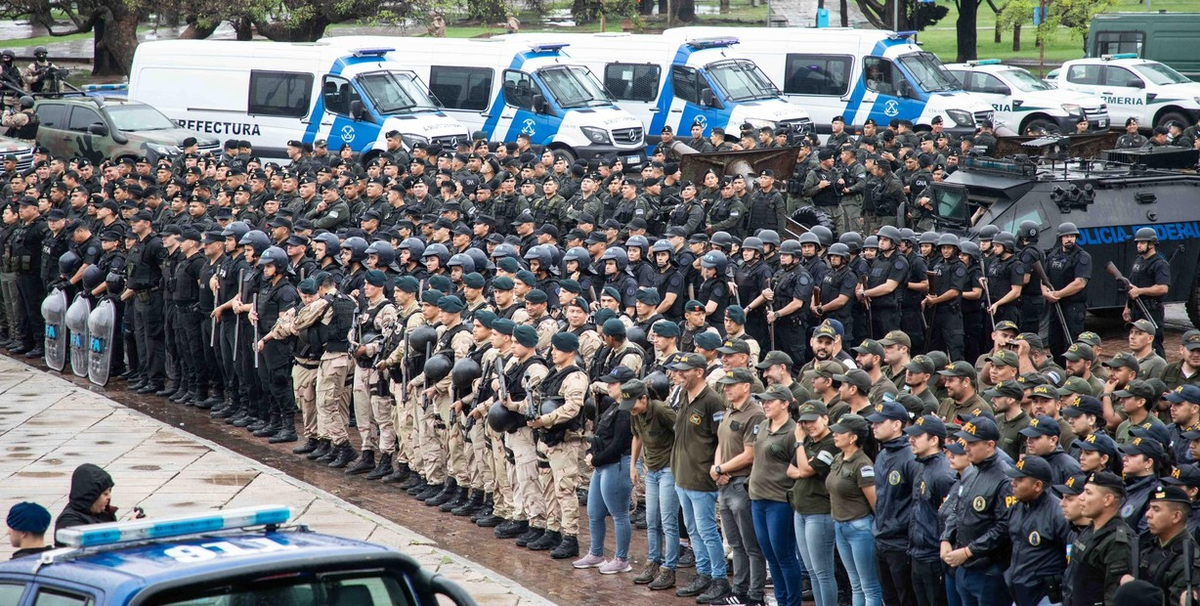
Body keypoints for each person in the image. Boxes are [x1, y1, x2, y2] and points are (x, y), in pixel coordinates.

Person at [671, 351, 730, 601]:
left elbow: (722, 439)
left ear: (699, 372)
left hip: (701, 478)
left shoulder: (712, 400)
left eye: (684, 370)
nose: (678, 374)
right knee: (693, 530)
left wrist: (720, 468)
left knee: (707, 530)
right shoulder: (685, 395)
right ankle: (703, 573)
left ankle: (719, 578)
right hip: (682, 475)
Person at [942, 417, 1011, 606]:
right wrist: (946, 537)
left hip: (989, 571)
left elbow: (1004, 527)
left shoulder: (1004, 479)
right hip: (965, 567)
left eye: (972, 443)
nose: (965, 448)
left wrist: (969, 551)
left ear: (989, 445)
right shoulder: (971, 471)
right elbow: (957, 507)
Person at [714, 367, 767, 605]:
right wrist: (717, 469)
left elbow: (750, 454)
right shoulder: (730, 409)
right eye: (725, 384)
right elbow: (720, 443)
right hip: (724, 484)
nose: (726, 388)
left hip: (741, 484)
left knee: (751, 544)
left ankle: (754, 595)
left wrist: (721, 469)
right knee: (735, 543)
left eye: (731, 385)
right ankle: (739, 590)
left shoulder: (754, 413)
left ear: (746, 386)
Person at [747, 385, 803, 606]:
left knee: (785, 556)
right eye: (764, 400)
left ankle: (792, 603)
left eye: (771, 400)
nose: (765, 404)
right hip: (758, 499)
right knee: (770, 555)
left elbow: (799, 465)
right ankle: (781, 601)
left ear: (785, 403)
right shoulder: (762, 425)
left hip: (779, 501)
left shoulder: (793, 431)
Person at [573, 377, 635, 574]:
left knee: (619, 514)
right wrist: (590, 453)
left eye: (614, 383)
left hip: (616, 464)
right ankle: (596, 553)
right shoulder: (613, 406)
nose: (608, 386)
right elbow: (600, 435)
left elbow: (618, 444)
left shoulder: (626, 411)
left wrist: (595, 459)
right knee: (594, 512)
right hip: (603, 464)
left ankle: (621, 559)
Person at [629, 370, 680, 590]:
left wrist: (679, 462)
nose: (631, 409)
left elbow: (681, 432)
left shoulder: (660, 409)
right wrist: (633, 465)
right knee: (652, 519)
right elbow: (637, 436)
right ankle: (653, 560)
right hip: (651, 469)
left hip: (669, 468)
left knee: (668, 520)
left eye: (633, 404)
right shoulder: (635, 413)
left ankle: (669, 568)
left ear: (644, 398)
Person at [827, 413, 881, 606]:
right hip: (840, 526)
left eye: (840, 432)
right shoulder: (837, 458)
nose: (835, 435)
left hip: (859, 528)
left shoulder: (863, 464)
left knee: (869, 586)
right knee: (855, 584)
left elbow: (875, 503)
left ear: (853, 437)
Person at [1003, 456, 1072, 606]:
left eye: (1019, 480)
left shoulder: (1059, 514)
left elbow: (1071, 561)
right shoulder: (1017, 508)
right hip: (1019, 592)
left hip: (1046, 596)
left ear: (1037, 485)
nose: (1012, 483)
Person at [790, 400, 839, 606]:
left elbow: (806, 470)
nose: (809, 426)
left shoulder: (831, 443)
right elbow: (792, 470)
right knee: (812, 571)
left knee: (823, 572)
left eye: (813, 421)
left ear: (825, 418)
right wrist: (803, 466)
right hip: (801, 510)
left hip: (820, 512)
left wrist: (800, 443)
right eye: (804, 422)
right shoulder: (810, 442)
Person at [1064, 471, 1135, 606]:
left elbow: (1113, 596)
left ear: (1107, 499)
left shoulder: (1118, 542)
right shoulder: (1089, 529)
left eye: (1088, 493)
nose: (1081, 498)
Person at [1136, 484, 1200, 606]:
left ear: (1176, 516)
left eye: (1156, 509)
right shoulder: (1149, 546)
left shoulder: (1188, 559)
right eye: (1149, 508)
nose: (1148, 514)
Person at [1125, 227, 1170, 358]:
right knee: (1137, 346)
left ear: (1151, 244)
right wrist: (1127, 307)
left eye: (1142, 242)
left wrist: (1140, 291)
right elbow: (1131, 287)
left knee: (1154, 345)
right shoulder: (1138, 261)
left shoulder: (1160, 264)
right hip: (1136, 309)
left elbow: (1163, 288)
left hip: (1151, 311)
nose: (1138, 245)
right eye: (1137, 243)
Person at [54, 463, 118, 542]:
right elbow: (94, 541)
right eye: (105, 494)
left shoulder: (103, 513)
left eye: (109, 492)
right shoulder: (69, 521)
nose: (109, 497)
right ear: (92, 495)